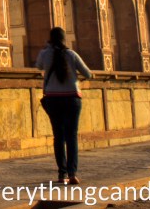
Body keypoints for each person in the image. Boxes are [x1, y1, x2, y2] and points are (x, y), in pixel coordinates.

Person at [35, 26, 92, 185]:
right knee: (71, 136)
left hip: (53, 99)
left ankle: (62, 174)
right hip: (72, 99)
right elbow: (88, 73)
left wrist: (47, 48)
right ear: (64, 39)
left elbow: (39, 66)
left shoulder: (45, 54)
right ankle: (73, 173)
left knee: (58, 137)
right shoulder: (71, 54)